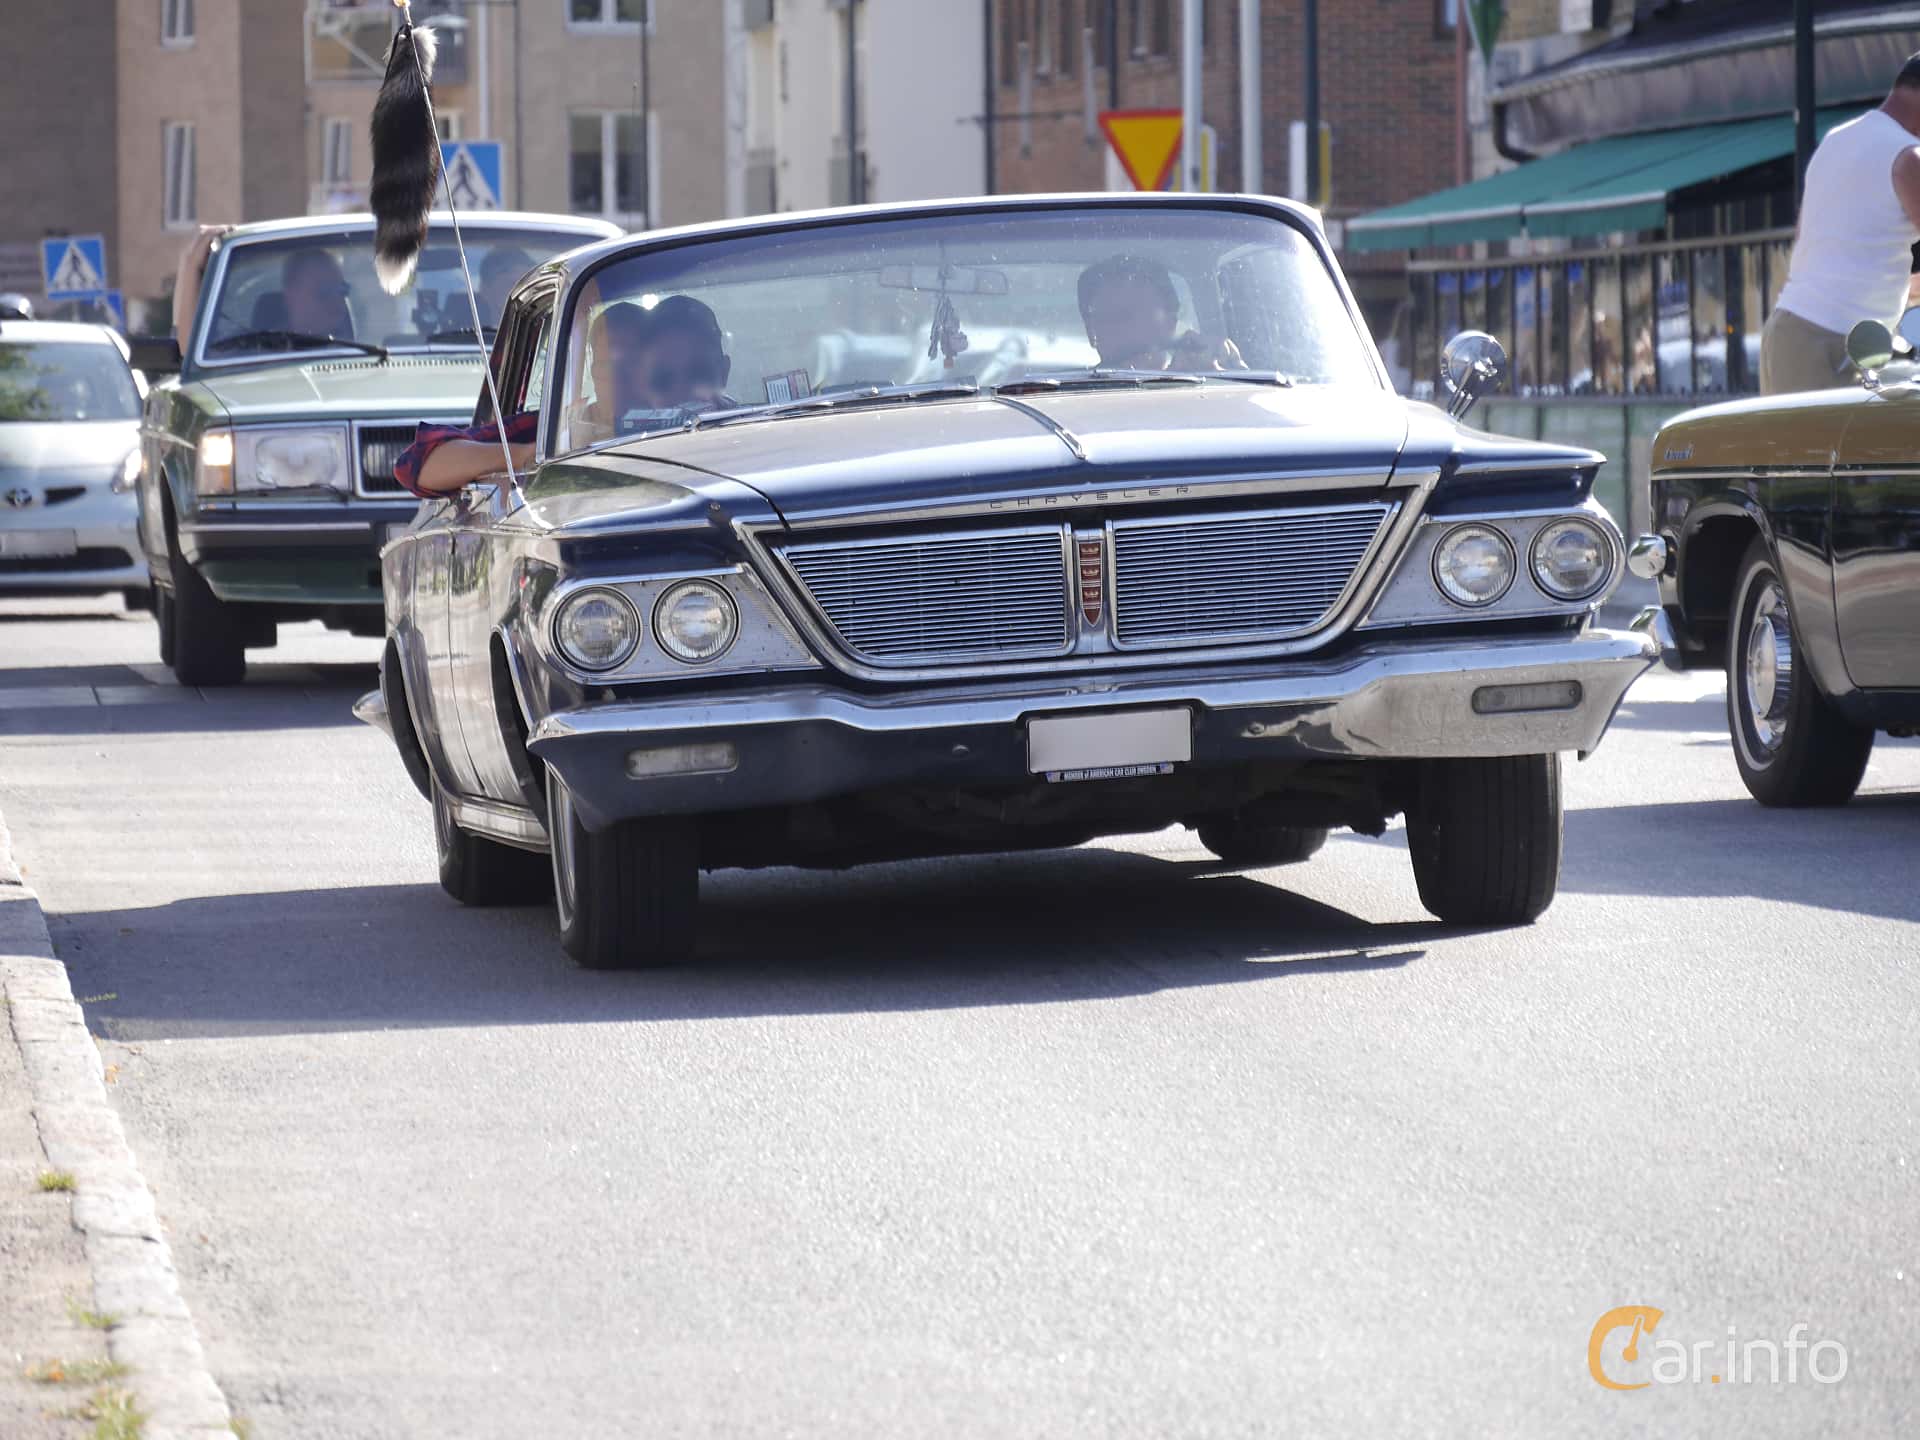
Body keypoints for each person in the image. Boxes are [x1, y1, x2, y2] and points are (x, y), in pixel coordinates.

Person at [394, 294, 733, 496]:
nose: (623, 378)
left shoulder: (720, 422)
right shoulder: (558, 428)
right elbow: (419, 464)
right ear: (593, 371)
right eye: (610, 364)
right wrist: (535, 453)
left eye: (637, 364)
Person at [1762, 53, 1920, 395]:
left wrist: (1903, 289)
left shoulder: (1836, 140)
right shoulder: (1909, 157)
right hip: (1831, 345)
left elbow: (1812, 246)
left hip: (1787, 332)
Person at [1076, 253, 1245, 372]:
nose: (1129, 329)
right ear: (1091, 332)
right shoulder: (1071, 403)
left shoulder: (1208, 385)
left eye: (1143, 313)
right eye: (1114, 317)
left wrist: (1225, 374)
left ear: (1171, 320)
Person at [171, 224, 235, 342]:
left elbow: (185, 345)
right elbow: (184, 344)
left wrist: (191, 264)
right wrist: (190, 263)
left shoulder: (233, 336)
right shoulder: (226, 338)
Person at [280, 249, 354, 337]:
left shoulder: (360, 343)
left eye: (342, 290)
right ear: (292, 296)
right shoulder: (269, 344)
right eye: (324, 291)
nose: (337, 301)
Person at [478, 246, 534, 330]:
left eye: (526, 285)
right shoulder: (470, 335)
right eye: (510, 284)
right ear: (485, 290)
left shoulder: (550, 334)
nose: (520, 295)